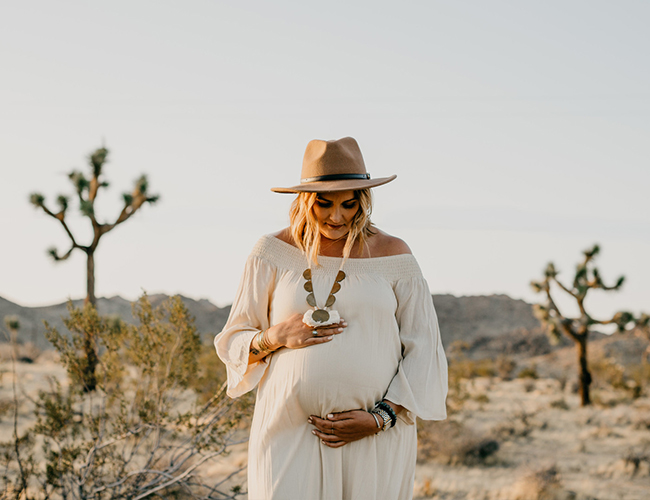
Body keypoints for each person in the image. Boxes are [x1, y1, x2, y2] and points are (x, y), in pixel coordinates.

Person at [214, 137, 448, 500]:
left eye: (348, 204)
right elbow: (233, 341)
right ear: (305, 200)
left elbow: (424, 348)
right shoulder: (271, 252)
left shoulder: (394, 255)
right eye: (324, 203)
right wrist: (275, 336)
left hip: (374, 438)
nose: (336, 216)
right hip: (288, 431)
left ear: (363, 201)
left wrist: (379, 418)